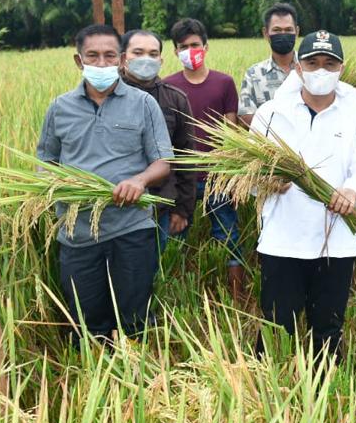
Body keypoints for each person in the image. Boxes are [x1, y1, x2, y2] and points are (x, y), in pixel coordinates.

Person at [250, 30, 356, 364]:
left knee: (328, 328)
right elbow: (248, 171)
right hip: (282, 239)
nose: (321, 70)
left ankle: (327, 393)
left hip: (335, 239)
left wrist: (353, 190)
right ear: (298, 67)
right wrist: (266, 182)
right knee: (278, 326)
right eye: (312, 63)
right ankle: (268, 392)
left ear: (341, 68)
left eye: (329, 63)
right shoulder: (271, 114)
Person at [36, 24, 173, 343]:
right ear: (78, 60)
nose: (101, 63)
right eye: (92, 56)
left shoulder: (143, 104)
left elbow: (162, 162)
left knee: (134, 318)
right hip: (78, 233)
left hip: (131, 229)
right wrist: (58, 186)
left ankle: (140, 381)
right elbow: (46, 164)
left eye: (109, 56)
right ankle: (95, 380)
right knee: (88, 322)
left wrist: (139, 181)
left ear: (122, 60)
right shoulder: (59, 108)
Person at [163, 18, 246, 300]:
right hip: (181, 179)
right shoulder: (167, 87)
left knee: (228, 234)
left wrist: (231, 175)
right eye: (183, 47)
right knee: (175, 237)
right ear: (175, 52)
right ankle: (178, 296)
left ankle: (237, 296)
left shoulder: (223, 83)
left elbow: (231, 131)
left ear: (206, 47)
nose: (190, 50)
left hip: (217, 176)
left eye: (195, 45)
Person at [120, 29, 197, 254]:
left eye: (153, 54)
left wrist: (182, 209)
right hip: (115, 205)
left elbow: (186, 157)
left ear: (161, 60)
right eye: (138, 52)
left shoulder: (175, 99)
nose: (146, 59)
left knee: (152, 273)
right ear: (124, 57)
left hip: (159, 206)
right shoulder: (106, 97)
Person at [238, 2, 300, 127]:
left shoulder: (310, 69)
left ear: (297, 32)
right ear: (266, 33)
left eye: (288, 30)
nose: (283, 34)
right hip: (267, 144)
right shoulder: (254, 74)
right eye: (277, 30)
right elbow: (245, 115)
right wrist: (278, 133)